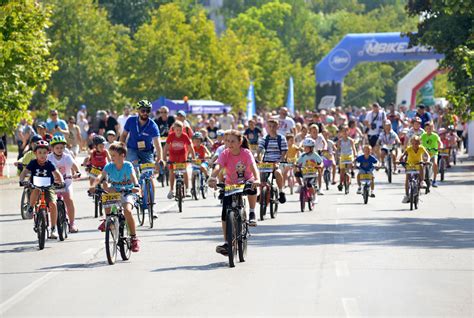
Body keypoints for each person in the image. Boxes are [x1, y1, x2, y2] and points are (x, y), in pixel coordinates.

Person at [208, 130, 260, 255]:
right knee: (225, 211)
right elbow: (217, 167)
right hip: (231, 184)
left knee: (252, 187)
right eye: (227, 141)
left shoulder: (246, 153)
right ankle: (227, 242)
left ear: (240, 142)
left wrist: (257, 179)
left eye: (232, 141)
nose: (229, 144)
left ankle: (252, 212)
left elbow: (254, 168)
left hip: (246, 181)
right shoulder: (225, 153)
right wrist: (212, 177)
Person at [90, 142, 141, 252]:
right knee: (105, 192)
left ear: (122, 155)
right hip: (115, 191)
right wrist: (93, 185)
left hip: (128, 191)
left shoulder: (128, 165)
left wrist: (136, 185)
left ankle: (134, 238)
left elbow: (133, 177)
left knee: (127, 211)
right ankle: (108, 218)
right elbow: (100, 176)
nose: (111, 158)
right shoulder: (109, 166)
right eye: (111, 155)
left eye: (113, 155)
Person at [19, 140, 64, 239]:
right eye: (40, 153)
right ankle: (30, 208)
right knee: (36, 190)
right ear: (35, 153)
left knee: (53, 204)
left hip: (48, 186)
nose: (42, 155)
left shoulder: (50, 164)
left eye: (45, 153)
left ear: (48, 153)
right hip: (36, 185)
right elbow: (24, 171)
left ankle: (53, 228)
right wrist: (21, 179)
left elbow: (57, 173)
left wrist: (61, 181)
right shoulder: (33, 163)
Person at [120, 99, 163, 175]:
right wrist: (121, 149)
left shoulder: (153, 126)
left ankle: (148, 184)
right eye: (143, 110)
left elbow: (157, 144)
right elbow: (123, 136)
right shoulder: (131, 121)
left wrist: (159, 159)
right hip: (132, 149)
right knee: (134, 169)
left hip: (147, 151)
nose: (145, 113)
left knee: (149, 174)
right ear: (138, 111)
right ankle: (135, 184)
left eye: (148, 111)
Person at [48, 136, 81, 233]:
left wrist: (77, 172)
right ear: (52, 148)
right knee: (50, 202)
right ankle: (51, 224)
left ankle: (72, 224)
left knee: (69, 200)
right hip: (53, 183)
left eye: (61, 147)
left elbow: (75, 167)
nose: (59, 150)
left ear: (64, 148)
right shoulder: (49, 158)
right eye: (57, 148)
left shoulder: (67, 157)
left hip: (66, 182)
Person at [257, 118, 287, 204]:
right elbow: (260, 148)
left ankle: (281, 192)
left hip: (278, 161)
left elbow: (284, 151)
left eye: (274, 126)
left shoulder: (281, 138)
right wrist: (257, 156)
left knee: (277, 172)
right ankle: (261, 193)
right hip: (267, 161)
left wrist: (280, 160)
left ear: (277, 127)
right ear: (267, 127)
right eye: (269, 126)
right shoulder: (265, 138)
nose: (271, 128)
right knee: (261, 175)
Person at [164, 121, 196, 199]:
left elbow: (190, 147)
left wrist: (193, 157)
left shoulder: (185, 136)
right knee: (172, 171)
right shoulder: (171, 136)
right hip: (173, 155)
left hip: (182, 154)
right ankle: (171, 190)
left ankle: (187, 189)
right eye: (177, 130)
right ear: (174, 129)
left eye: (180, 130)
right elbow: (166, 147)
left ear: (183, 129)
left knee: (184, 170)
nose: (179, 132)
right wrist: (164, 157)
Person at [399, 136, 430, 203]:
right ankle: (407, 195)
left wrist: (428, 160)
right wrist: (399, 160)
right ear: (411, 143)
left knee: (421, 165)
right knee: (407, 179)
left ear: (419, 143)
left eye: (416, 143)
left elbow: (427, 155)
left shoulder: (421, 148)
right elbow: (403, 155)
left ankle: (422, 181)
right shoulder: (409, 148)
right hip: (410, 165)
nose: (415, 145)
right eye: (413, 143)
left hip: (418, 164)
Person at [295, 138, 323, 202]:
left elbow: (320, 162)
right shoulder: (303, 155)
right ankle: (300, 186)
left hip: (313, 174)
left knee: (309, 184)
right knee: (296, 174)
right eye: (304, 147)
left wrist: (320, 166)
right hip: (305, 173)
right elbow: (298, 162)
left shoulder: (315, 155)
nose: (305, 149)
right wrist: (295, 165)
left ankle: (315, 196)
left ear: (311, 148)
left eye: (306, 147)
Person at [420, 121, 442, 187]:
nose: (429, 130)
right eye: (427, 128)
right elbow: (419, 141)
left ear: (432, 128)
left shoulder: (435, 135)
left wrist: (440, 147)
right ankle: (422, 180)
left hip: (434, 153)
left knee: (435, 164)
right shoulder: (423, 135)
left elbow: (440, 142)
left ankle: (434, 180)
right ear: (425, 129)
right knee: (422, 165)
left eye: (430, 128)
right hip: (425, 153)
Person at [337, 126, 357, 192]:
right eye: (343, 131)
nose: (345, 132)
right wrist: (337, 155)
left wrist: (355, 154)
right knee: (342, 171)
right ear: (341, 133)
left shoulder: (351, 140)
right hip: (343, 156)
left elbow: (354, 148)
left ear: (348, 132)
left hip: (349, 156)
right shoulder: (340, 141)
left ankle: (349, 179)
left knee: (348, 168)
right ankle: (340, 183)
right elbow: (338, 149)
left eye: (346, 131)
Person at [308, 124, 327, 194]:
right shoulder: (308, 137)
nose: (315, 133)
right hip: (310, 155)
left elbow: (325, 143)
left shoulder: (320, 136)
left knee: (319, 170)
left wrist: (324, 148)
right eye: (313, 132)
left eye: (316, 131)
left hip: (318, 154)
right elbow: (303, 143)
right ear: (310, 132)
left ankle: (320, 187)